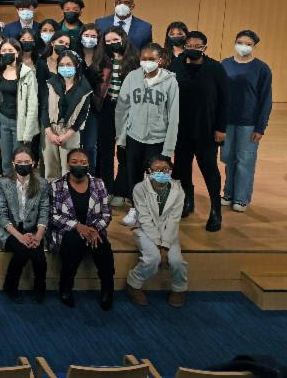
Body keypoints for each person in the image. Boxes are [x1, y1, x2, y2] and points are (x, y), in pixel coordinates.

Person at [116, 43, 180, 224]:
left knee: (157, 178)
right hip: (134, 136)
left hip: (158, 139)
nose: (147, 62)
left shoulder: (170, 81)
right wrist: (121, 137)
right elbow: (122, 109)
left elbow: (173, 117)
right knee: (133, 175)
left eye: (151, 59)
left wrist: (168, 148)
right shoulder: (132, 77)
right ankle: (135, 209)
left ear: (160, 60)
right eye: (143, 59)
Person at [172, 31, 228, 231]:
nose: (193, 49)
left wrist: (222, 128)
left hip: (206, 129)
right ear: (184, 45)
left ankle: (215, 210)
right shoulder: (175, 65)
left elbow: (225, 100)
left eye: (198, 46)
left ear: (205, 48)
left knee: (209, 170)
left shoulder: (215, 68)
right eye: (190, 45)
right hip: (181, 130)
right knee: (181, 169)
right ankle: (187, 201)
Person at [49, 148, 114, 309]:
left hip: (94, 230)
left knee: (103, 247)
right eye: (75, 162)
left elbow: (106, 214)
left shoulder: (99, 184)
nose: (79, 165)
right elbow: (53, 215)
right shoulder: (56, 186)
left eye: (83, 162)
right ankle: (66, 287)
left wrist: (92, 229)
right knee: (73, 242)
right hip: (67, 232)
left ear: (89, 164)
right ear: (68, 164)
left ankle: (107, 289)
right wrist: (78, 226)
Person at [220, 30, 272, 214]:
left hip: (248, 123)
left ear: (254, 46)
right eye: (240, 42)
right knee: (228, 158)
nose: (243, 46)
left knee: (245, 160)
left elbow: (266, 99)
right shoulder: (224, 64)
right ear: (234, 42)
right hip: (226, 121)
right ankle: (228, 193)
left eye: (248, 43)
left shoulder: (261, 68)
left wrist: (260, 127)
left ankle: (241, 198)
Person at [126, 154, 187, 307]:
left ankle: (179, 288)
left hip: (169, 232)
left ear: (171, 170)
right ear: (149, 171)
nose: (162, 172)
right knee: (153, 259)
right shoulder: (140, 189)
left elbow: (174, 220)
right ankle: (134, 283)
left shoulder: (178, 190)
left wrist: (165, 244)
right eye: (157, 169)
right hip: (145, 231)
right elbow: (145, 219)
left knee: (177, 261)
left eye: (165, 169)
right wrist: (159, 245)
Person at [0, 147, 49, 303]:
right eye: (19, 162)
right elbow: (2, 216)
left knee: (39, 257)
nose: (23, 164)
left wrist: (38, 236)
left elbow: (44, 212)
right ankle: (10, 286)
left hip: (34, 230)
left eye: (27, 162)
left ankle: (40, 287)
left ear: (33, 163)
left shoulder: (42, 184)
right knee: (22, 251)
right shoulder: (4, 183)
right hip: (11, 230)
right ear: (13, 163)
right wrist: (20, 237)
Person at [93, 27, 140, 203]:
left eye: (115, 40)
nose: (112, 44)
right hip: (106, 108)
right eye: (108, 41)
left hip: (127, 110)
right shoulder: (102, 60)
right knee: (105, 150)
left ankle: (122, 190)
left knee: (124, 150)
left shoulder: (134, 60)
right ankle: (106, 188)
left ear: (124, 39)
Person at [40, 50, 93, 180]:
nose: (65, 68)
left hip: (71, 132)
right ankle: (52, 196)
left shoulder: (85, 88)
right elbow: (44, 109)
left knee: (68, 168)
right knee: (51, 167)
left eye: (69, 64)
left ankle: (67, 197)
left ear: (77, 65)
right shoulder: (51, 83)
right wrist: (49, 132)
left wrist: (67, 135)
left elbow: (82, 115)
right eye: (62, 65)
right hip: (50, 130)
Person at [0, 38, 39, 176]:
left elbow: (32, 103)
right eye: (4, 51)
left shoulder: (27, 73)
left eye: (10, 50)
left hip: (20, 123)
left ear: (17, 53)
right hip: (3, 120)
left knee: (20, 159)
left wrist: (28, 131)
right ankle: (8, 190)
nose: (7, 53)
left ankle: (22, 191)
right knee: (5, 160)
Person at [76, 25, 103, 171]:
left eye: (93, 36)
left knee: (90, 146)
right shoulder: (73, 56)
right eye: (86, 35)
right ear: (80, 36)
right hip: (75, 107)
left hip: (93, 108)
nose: (89, 38)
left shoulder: (102, 59)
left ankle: (91, 177)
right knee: (74, 145)